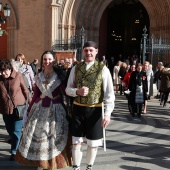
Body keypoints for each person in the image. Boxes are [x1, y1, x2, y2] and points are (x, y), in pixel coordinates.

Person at [15, 50, 72, 170]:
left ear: (54, 60)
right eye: (45, 59)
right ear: (42, 61)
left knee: (52, 137)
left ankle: (52, 162)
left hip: (55, 108)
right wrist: (29, 110)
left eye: (50, 59)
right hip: (39, 108)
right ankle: (40, 163)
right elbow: (35, 95)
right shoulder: (38, 76)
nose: (47, 62)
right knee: (38, 136)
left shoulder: (59, 75)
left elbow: (66, 92)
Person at [65, 41, 115, 170]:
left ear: (96, 51)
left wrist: (108, 114)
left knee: (93, 143)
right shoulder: (76, 68)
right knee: (76, 142)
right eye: (86, 50)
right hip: (78, 108)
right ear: (82, 52)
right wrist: (77, 91)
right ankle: (76, 167)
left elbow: (109, 93)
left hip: (95, 110)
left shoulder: (103, 69)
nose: (88, 53)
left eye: (91, 50)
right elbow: (67, 89)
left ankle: (89, 167)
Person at [0, 59, 29, 161]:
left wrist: (29, 103)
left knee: (16, 131)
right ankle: (17, 142)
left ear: (9, 68)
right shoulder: (0, 79)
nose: (3, 73)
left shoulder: (18, 76)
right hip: (5, 109)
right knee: (10, 130)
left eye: (5, 71)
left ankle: (14, 151)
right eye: (1, 71)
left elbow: (25, 90)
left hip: (18, 108)